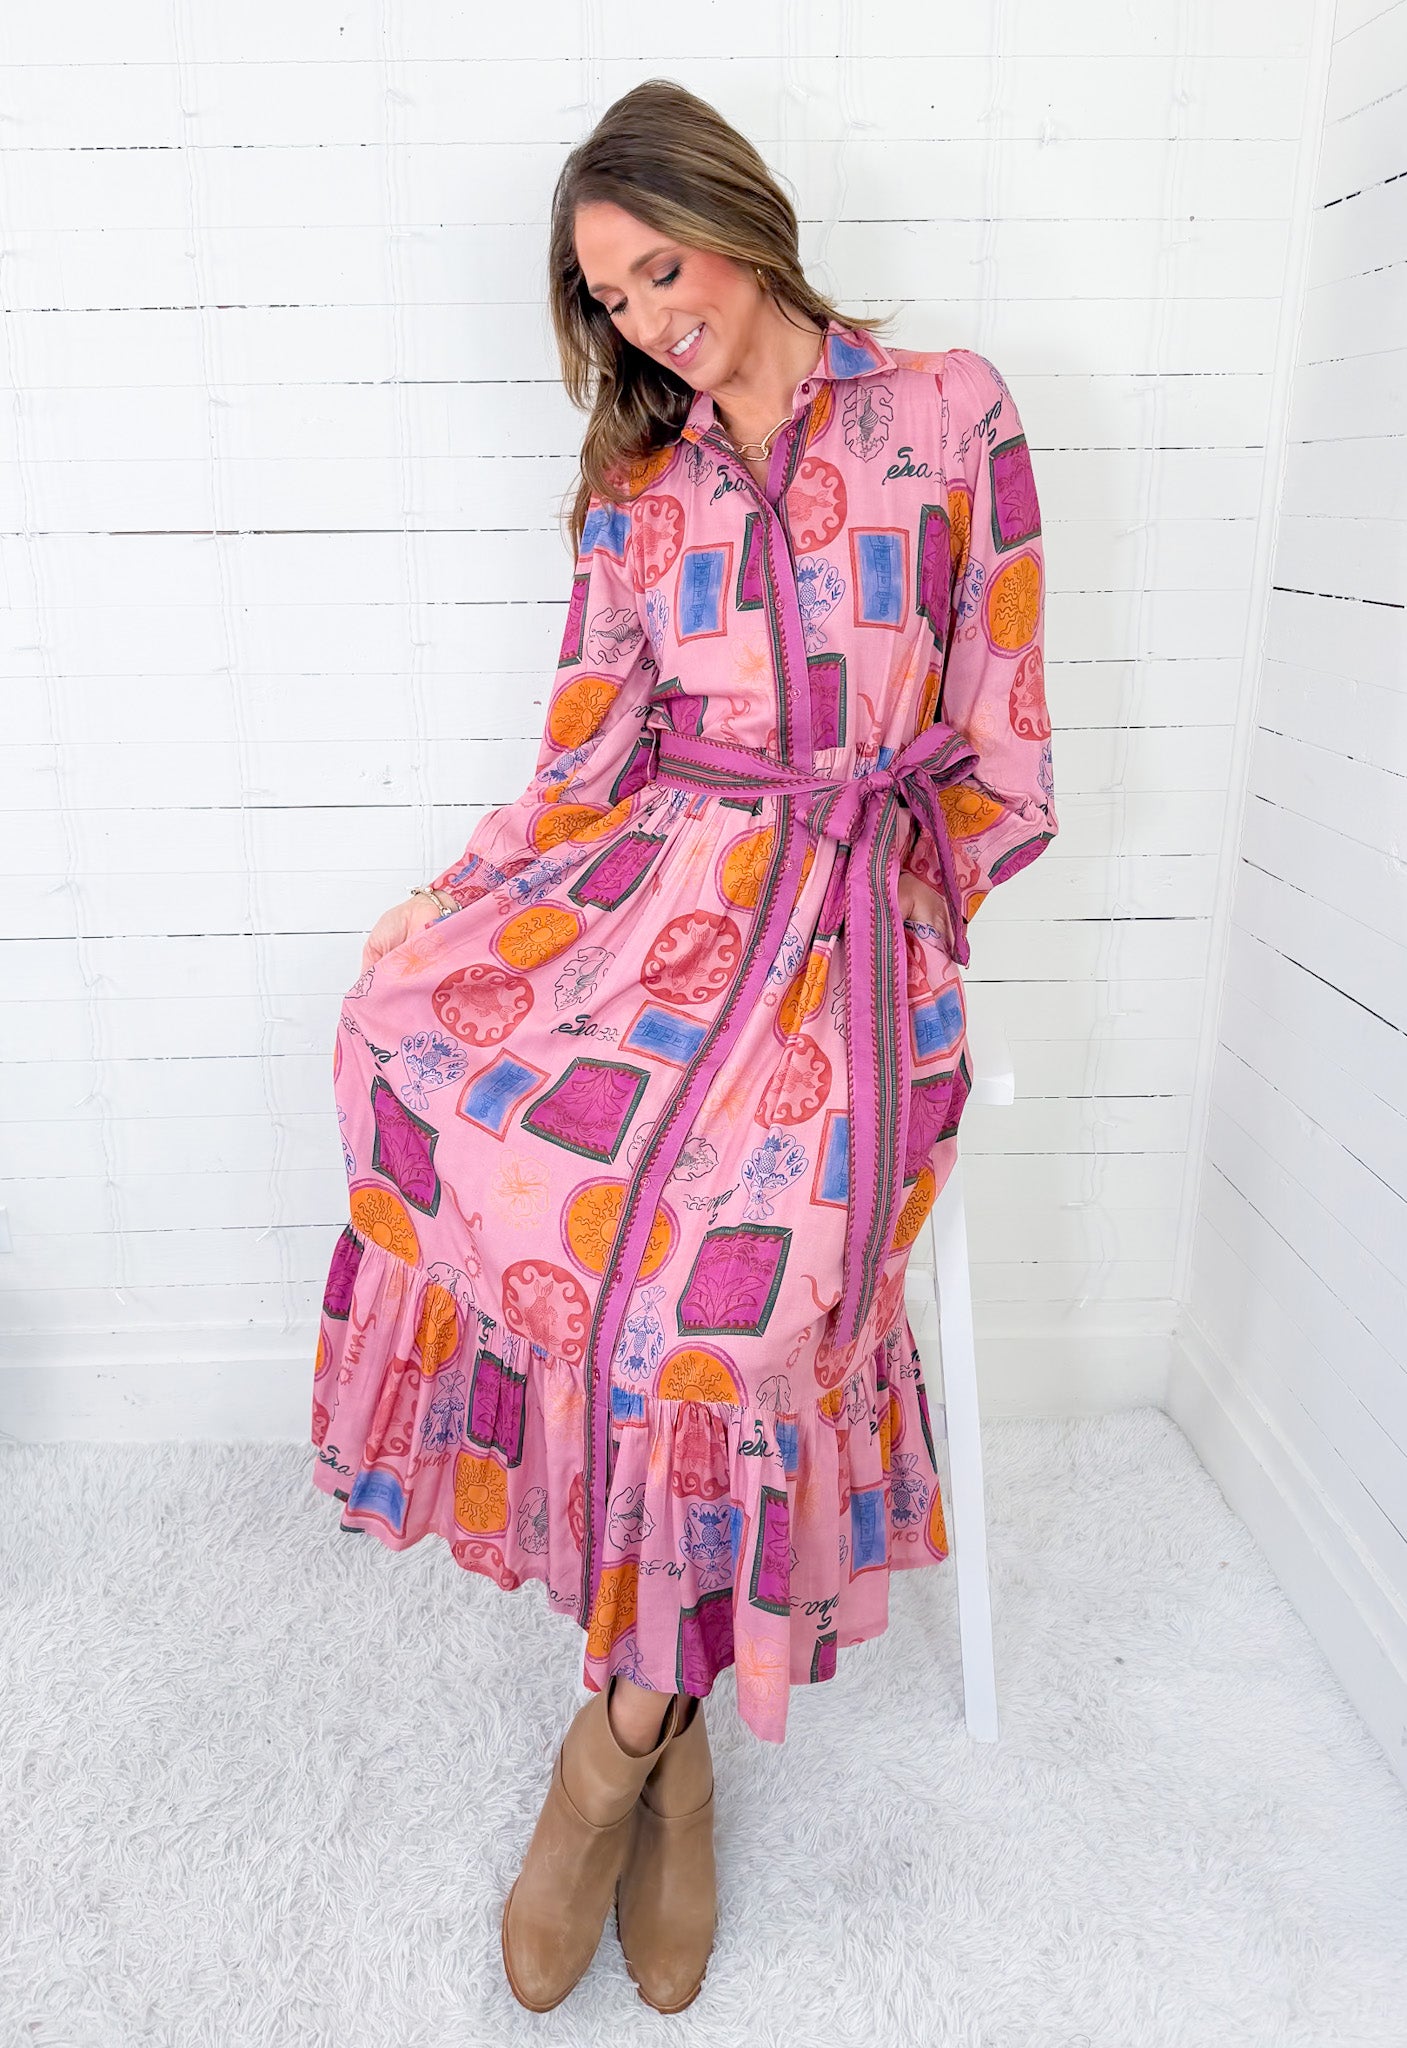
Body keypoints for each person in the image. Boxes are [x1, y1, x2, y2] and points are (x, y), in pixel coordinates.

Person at [309, 77, 1057, 2016]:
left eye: (663, 266)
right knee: (533, 1178)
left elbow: (1003, 748)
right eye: (612, 300)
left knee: (731, 1316)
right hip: (660, 906)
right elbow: (579, 771)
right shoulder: (639, 503)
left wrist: (898, 931)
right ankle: (682, 1750)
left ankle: (603, 1769)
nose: (652, 318)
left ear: (739, 212)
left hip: (860, 933)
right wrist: (446, 907)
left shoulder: (949, 413)